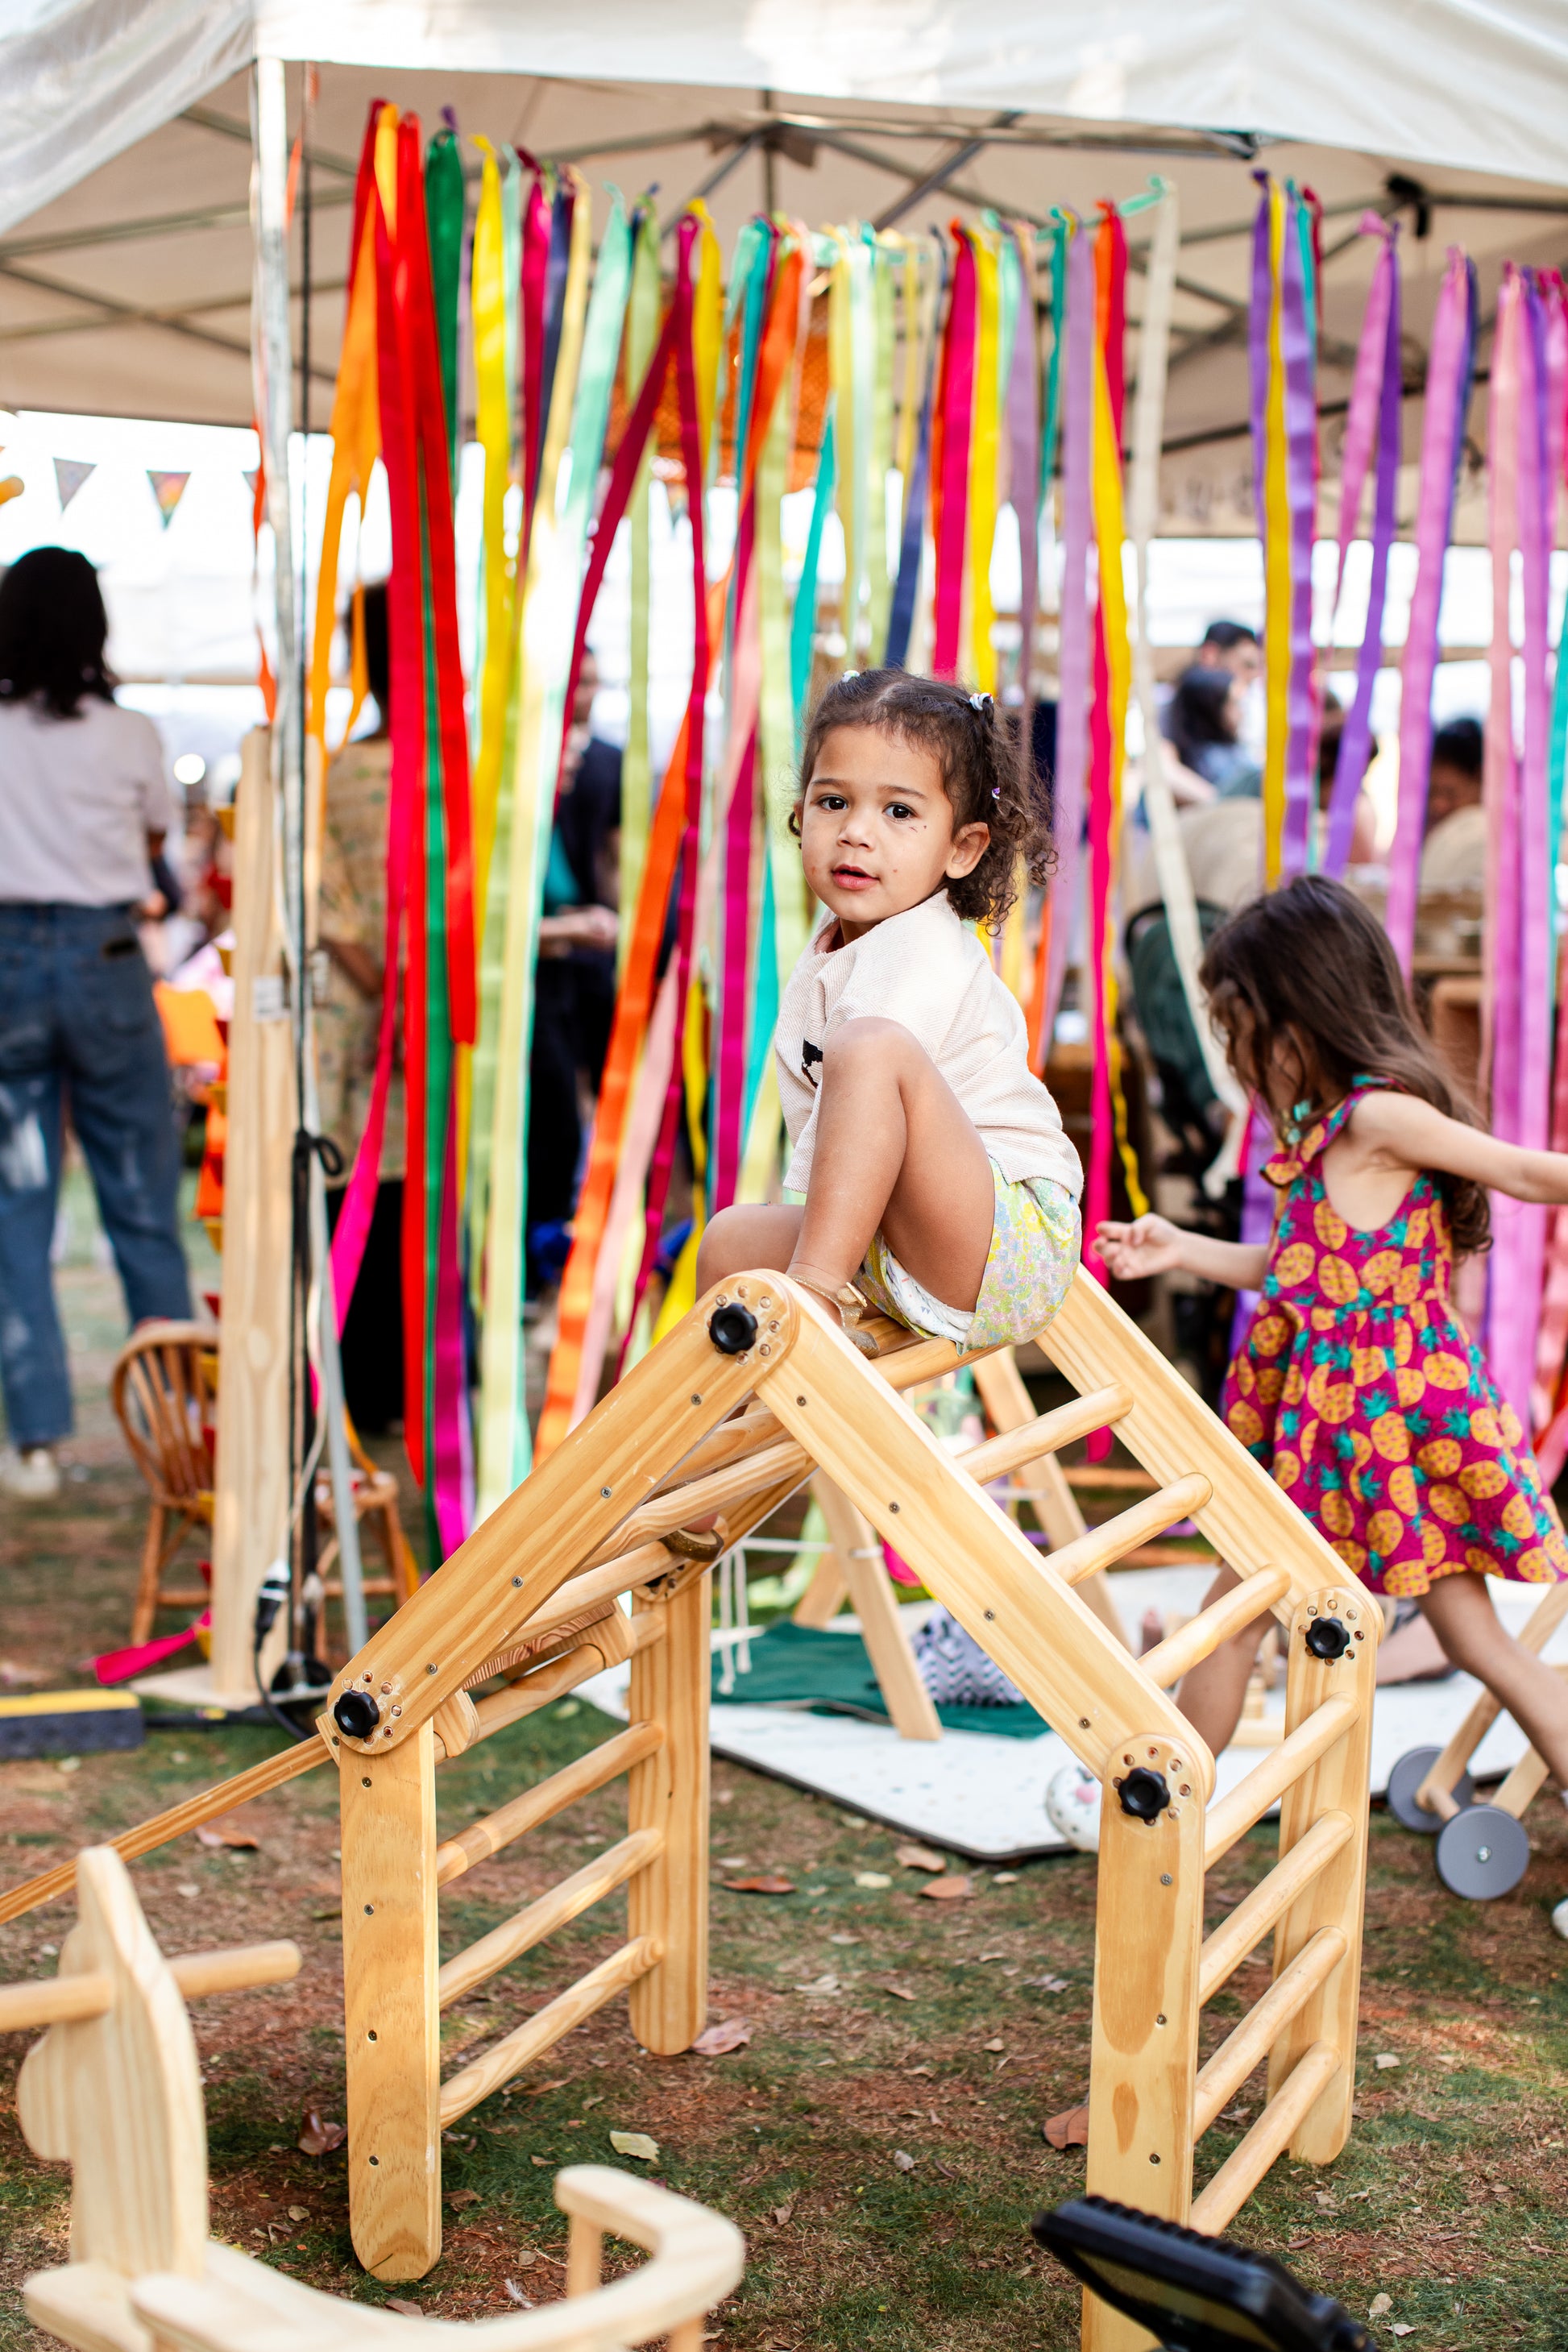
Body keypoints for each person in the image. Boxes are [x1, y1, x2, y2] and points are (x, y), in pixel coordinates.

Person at [1098, 873, 1568, 1807]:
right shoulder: (1323, 1133)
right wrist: (1179, 1246)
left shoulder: (1377, 1116)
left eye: (1247, 1032)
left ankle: (1156, 1802)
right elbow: (1305, 1272)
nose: (1237, 1057)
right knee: (1276, 1617)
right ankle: (1159, 1802)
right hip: (1333, 1426)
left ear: (1307, 1014)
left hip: (1382, 1423)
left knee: (1244, 1612)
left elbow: (1521, 1170)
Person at [695, 669, 1083, 1354]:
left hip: (1005, 1237)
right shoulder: (829, 952)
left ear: (961, 848)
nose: (856, 833)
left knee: (870, 1045)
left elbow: (860, 1093)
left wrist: (808, 1273)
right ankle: (734, 1422)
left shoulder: (921, 949)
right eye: (834, 802)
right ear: (800, 814)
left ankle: (811, 1302)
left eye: (899, 812)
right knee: (729, 1238)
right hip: (899, 1239)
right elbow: (821, 1127)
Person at [0, 545, 192, 1499]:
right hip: (107, 959)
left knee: (15, 1211)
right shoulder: (131, 734)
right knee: (141, 1207)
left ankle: (34, 1441)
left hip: (5, 963)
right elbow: (158, 847)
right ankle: (176, 1434)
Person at [317, 583, 405, 1432]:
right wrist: (413, 1004)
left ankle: (368, 1387)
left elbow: (330, 907)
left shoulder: (338, 775)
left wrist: (384, 997)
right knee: (412, 1203)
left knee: (364, 1203)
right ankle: (405, 1386)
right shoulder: (460, 776)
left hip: (361, 1019)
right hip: (423, 1026)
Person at [1165, 665, 1262, 799]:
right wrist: (1217, 802)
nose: (1241, 713)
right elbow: (1167, 774)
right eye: (1234, 703)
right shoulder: (1189, 753)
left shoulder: (1234, 749)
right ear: (1211, 708)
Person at [1420, 716, 1486, 894]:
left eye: (1450, 793)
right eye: (1432, 793)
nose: (1438, 805)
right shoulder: (1428, 832)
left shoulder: (1479, 831)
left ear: (1480, 781)